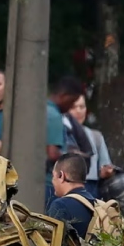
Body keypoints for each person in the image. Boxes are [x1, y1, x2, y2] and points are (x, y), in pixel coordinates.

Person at [46, 77, 86, 206]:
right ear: (64, 96)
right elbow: (52, 153)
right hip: (47, 183)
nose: (71, 107)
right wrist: (73, 157)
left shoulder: (40, 110)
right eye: (72, 102)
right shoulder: (54, 116)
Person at [67, 94, 114, 199]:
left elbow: (106, 165)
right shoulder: (60, 134)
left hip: (90, 188)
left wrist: (106, 171)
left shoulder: (95, 136)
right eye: (73, 107)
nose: (78, 111)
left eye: (82, 107)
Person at [45, 153, 96, 239]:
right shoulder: (94, 203)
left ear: (61, 176)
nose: (52, 181)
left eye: (53, 176)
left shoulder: (61, 205)